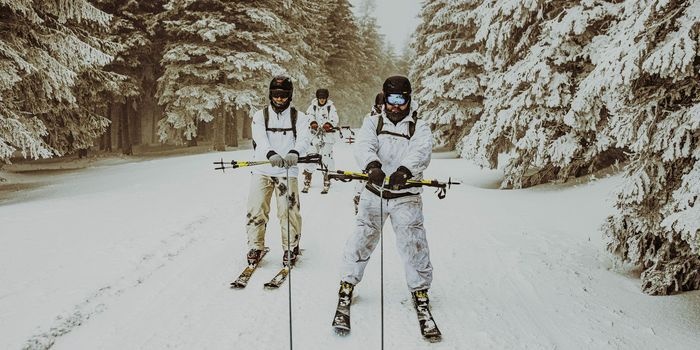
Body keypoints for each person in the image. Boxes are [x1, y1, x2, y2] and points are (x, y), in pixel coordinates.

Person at [335, 76, 435, 324]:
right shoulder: (372, 123)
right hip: (374, 194)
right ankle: (347, 283)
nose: (396, 105)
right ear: (385, 98)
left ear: (409, 98)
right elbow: (363, 145)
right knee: (361, 240)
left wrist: (405, 171)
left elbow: (421, 151)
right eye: (392, 99)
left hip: (406, 196)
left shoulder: (419, 127)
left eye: (401, 99)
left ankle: (420, 289)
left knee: (414, 244)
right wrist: (372, 166)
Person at [245, 75, 310, 267]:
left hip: (287, 171)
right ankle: (255, 246)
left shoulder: (299, 117)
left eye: (283, 95)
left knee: (288, 211)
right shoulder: (260, 116)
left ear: (289, 96)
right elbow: (260, 139)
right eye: (275, 94)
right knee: (256, 209)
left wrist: (295, 152)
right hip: (263, 168)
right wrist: (270, 153)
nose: (279, 99)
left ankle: (291, 245)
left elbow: (304, 139)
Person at [302, 88, 340, 194]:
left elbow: (335, 118)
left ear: (326, 98)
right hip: (314, 136)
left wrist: (329, 124)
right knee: (311, 155)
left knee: (326, 157)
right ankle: (308, 176)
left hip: (327, 136)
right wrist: (313, 122)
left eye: (324, 98)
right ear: (317, 97)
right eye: (320, 98)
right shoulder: (312, 107)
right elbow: (308, 116)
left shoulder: (331, 107)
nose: (322, 100)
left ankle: (327, 177)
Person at [352, 92, 385, 214]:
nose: (381, 107)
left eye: (383, 104)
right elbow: (364, 136)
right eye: (379, 104)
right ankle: (358, 196)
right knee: (365, 176)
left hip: (384, 152)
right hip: (370, 152)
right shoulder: (369, 117)